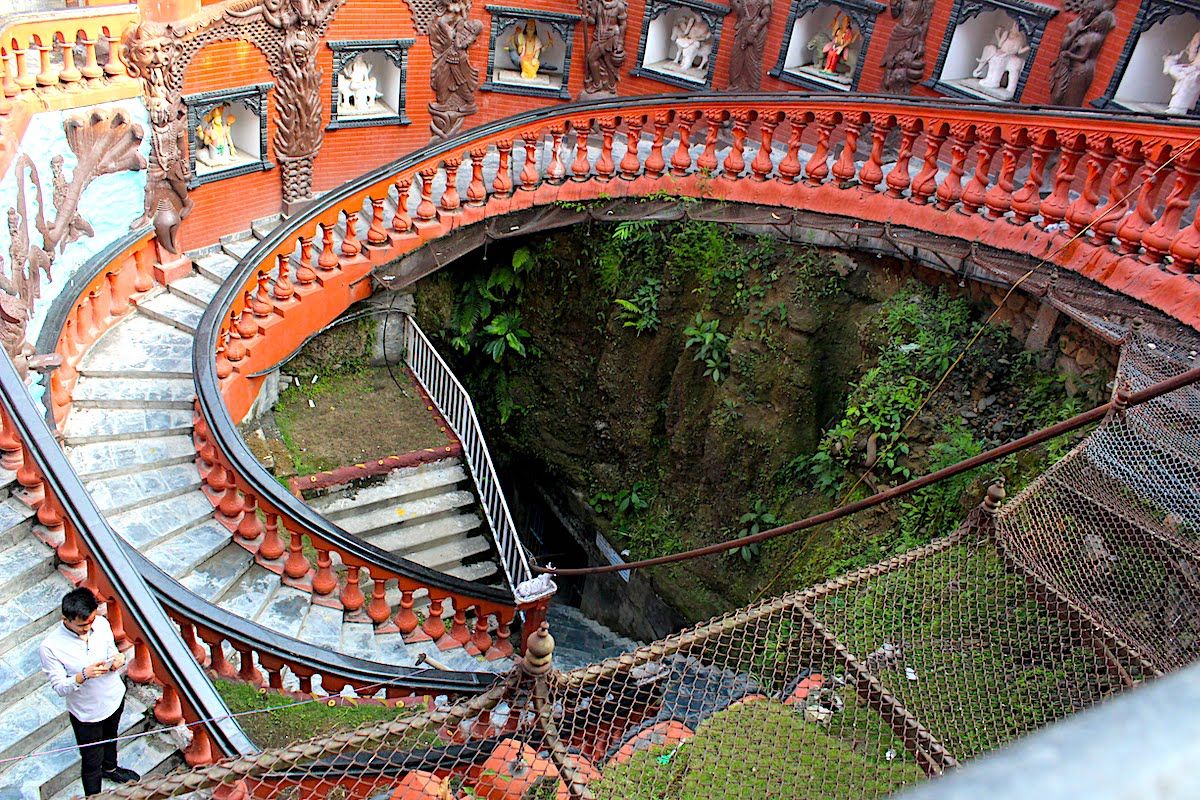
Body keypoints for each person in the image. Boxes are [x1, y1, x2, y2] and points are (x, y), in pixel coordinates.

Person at [40, 588, 140, 796]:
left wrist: (117, 660)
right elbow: (59, 687)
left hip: (113, 697)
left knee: (111, 738)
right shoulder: (50, 647)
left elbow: (112, 650)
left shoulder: (101, 624)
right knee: (91, 760)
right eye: (83, 625)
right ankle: (93, 795)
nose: (89, 627)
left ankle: (111, 768)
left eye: (91, 621)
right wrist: (82, 676)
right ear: (65, 619)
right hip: (87, 714)